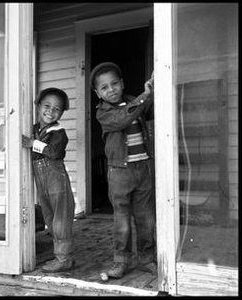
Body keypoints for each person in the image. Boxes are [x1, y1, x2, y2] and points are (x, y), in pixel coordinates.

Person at [90, 62, 156, 279]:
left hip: (144, 166)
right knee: (122, 218)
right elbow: (123, 118)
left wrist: (153, 89)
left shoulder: (133, 101)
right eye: (104, 87)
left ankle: (146, 258)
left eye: (114, 83)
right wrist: (144, 96)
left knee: (145, 216)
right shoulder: (103, 113)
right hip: (120, 172)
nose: (111, 89)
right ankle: (121, 261)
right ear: (97, 93)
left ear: (122, 83)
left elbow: (148, 107)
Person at [22, 87, 75, 272]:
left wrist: (32, 144)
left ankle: (63, 258)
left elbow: (55, 152)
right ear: (38, 106)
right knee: (50, 219)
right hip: (41, 180)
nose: (50, 112)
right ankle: (62, 256)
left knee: (61, 219)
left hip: (56, 180)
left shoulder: (58, 132)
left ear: (61, 113)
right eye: (47, 106)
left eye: (57, 109)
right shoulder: (36, 128)